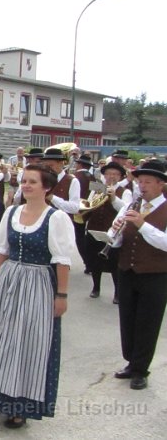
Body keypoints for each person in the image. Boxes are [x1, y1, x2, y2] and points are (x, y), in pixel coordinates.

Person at [0, 164, 74, 428]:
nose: (25, 186)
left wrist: (61, 295)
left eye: (32, 182)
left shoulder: (55, 218)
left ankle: (21, 406)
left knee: (28, 344)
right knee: (2, 336)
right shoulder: (12, 212)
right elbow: (3, 249)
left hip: (38, 283)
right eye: (24, 181)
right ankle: (1, 394)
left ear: (47, 187)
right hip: (9, 280)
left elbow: (62, 260)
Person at [108, 160, 167, 390]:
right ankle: (131, 362)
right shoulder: (132, 205)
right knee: (128, 318)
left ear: (160, 184)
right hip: (127, 270)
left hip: (155, 274)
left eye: (148, 182)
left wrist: (142, 225)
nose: (142, 186)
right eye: (140, 182)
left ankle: (141, 369)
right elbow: (116, 239)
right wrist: (114, 233)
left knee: (148, 322)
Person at [83, 162, 131, 302]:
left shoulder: (125, 191)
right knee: (94, 261)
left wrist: (114, 197)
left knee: (114, 264)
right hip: (94, 228)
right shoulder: (98, 187)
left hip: (113, 233)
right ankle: (96, 287)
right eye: (109, 174)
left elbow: (125, 209)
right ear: (104, 175)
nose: (111, 177)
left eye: (115, 174)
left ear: (120, 176)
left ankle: (117, 293)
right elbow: (89, 203)